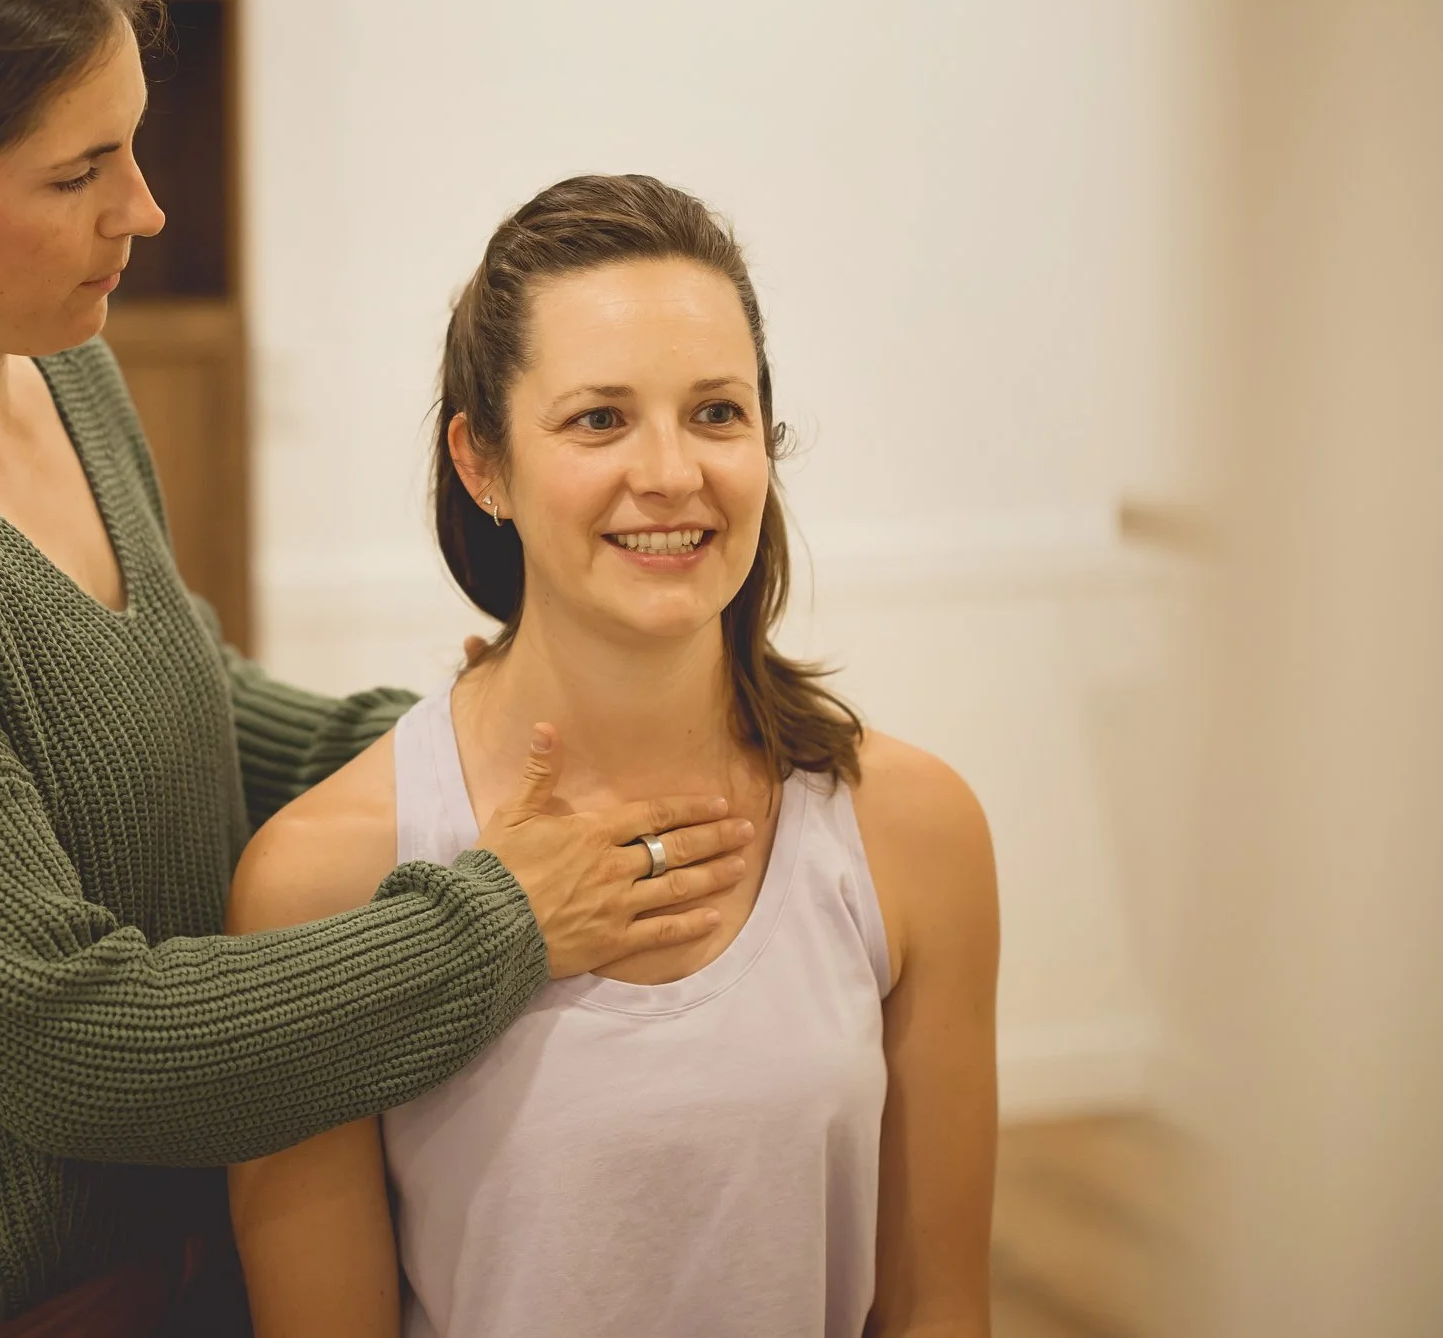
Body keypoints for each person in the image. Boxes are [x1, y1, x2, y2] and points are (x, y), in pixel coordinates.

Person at [0, 0, 756, 1338]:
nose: (143, 207)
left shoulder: (54, 362)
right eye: (79, 170)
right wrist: (500, 919)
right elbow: (65, 1040)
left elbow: (177, 699)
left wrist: (469, 744)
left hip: (163, 1264)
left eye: (134, 144)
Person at [226, 175, 1001, 1337]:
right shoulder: (320, 880)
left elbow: (939, 1307)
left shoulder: (913, 829)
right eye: (599, 418)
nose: (673, 473)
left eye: (716, 412)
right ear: (482, 463)